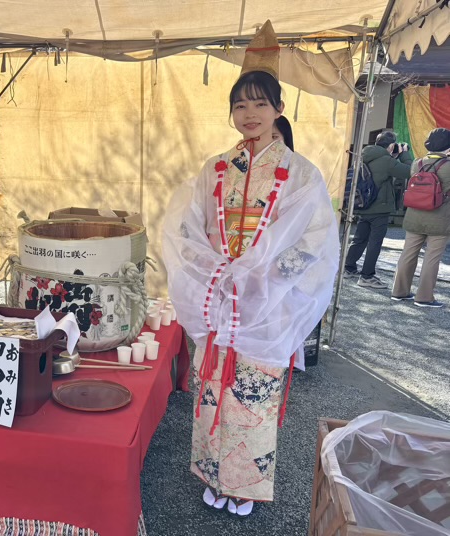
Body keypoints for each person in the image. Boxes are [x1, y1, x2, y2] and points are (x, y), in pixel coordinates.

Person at [162, 21, 338, 517]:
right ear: (231, 112)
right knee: (213, 389)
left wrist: (265, 275)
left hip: (268, 305)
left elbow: (317, 239)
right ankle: (211, 473)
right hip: (220, 299)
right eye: (241, 105)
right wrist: (211, 268)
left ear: (279, 109)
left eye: (260, 103)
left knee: (252, 396)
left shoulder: (302, 174)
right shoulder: (215, 168)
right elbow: (189, 228)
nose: (250, 113)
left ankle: (246, 485)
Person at [343, 130, 413, 289]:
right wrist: (404, 154)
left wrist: (392, 157)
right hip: (379, 208)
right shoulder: (387, 161)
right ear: (391, 146)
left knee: (359, 239)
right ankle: (367, 276)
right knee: (375, 242)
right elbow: (409, 171)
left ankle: (348, 268)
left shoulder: (363, 155)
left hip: (363, 205)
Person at [391, 128, 450, 308]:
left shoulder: (417, 163)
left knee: (408, 254)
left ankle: (399, 292)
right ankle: (424, 297)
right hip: (439, 218)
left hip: (414, 216)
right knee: (432, 258)